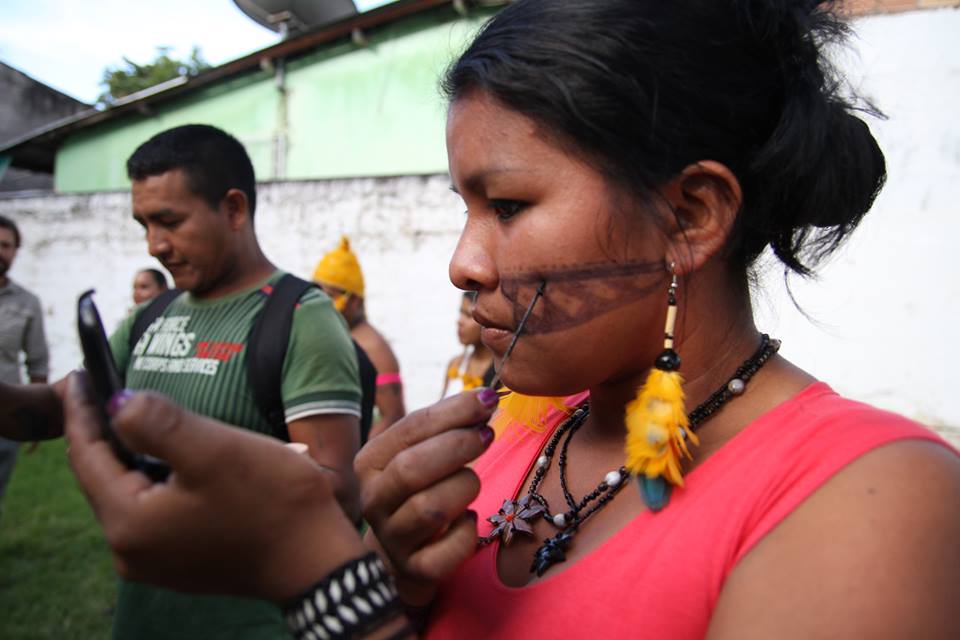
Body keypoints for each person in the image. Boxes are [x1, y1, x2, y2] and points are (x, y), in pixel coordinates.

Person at [41, 1, 960, 639]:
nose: (462, 262)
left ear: (689, 217)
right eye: (464, 207)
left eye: (510, 206)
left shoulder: (879, 504)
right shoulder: (503, 445)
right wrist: (392, 581)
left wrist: (318, 579)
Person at [0, 125, 364, 640]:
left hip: (252, 622)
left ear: (234, 209)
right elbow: (56, 406)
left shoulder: (301, 318)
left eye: (169, 222)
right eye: (144, 224)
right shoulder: (154, 314)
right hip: (144, 616)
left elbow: (337, 494)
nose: (154, 246)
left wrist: (200, 484)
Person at [313, 236, 406, 439]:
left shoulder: (373, 347)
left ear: (354, 300)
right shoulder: (333, 333)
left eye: (328, 295)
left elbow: (394, 416)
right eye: (315, 293)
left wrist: (358, 456)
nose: (319, 302)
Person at [0, 214, 49, 517]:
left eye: (6, 245)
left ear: (16, 252)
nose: (0, 251)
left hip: (4, 415)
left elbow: (38, 362)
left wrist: (37, 418)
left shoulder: (28, 303)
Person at [440, 292, 494, 398]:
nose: (459, 321)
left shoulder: (501, 372)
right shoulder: (455, 364)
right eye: (460, 313)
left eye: (468, 315)